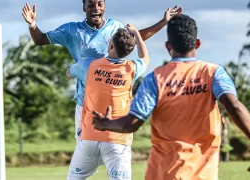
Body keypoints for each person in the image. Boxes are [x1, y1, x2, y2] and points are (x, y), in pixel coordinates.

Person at [92, 14, 250, 180]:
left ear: (168, 46)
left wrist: (106, 123)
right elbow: (235, 106)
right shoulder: (213, 73)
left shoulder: (155, 78)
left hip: (162, 173)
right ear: (197, 44)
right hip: (203, 174)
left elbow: (131, 124)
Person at [22, 0, 182, 142]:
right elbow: (40, 39)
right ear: (84, 7)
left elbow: (136, 38)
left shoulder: (115, 27)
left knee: (115, 151)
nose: (95, 8)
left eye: (99, 3)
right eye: (90, 4)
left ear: (105, 6)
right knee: (85, 152)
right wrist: (32, 25)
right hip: (84, 102)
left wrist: (163, 21)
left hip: (114, 102)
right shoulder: (72, 31)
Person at [66, 24, 149, 179]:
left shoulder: (88, 65)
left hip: (89, 137)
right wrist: (137, 33)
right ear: (128, 52)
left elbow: (69, 73)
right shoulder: (132, 69)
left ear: (110, 45)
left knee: (73, 177)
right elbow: (145, 58)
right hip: (118, 139)